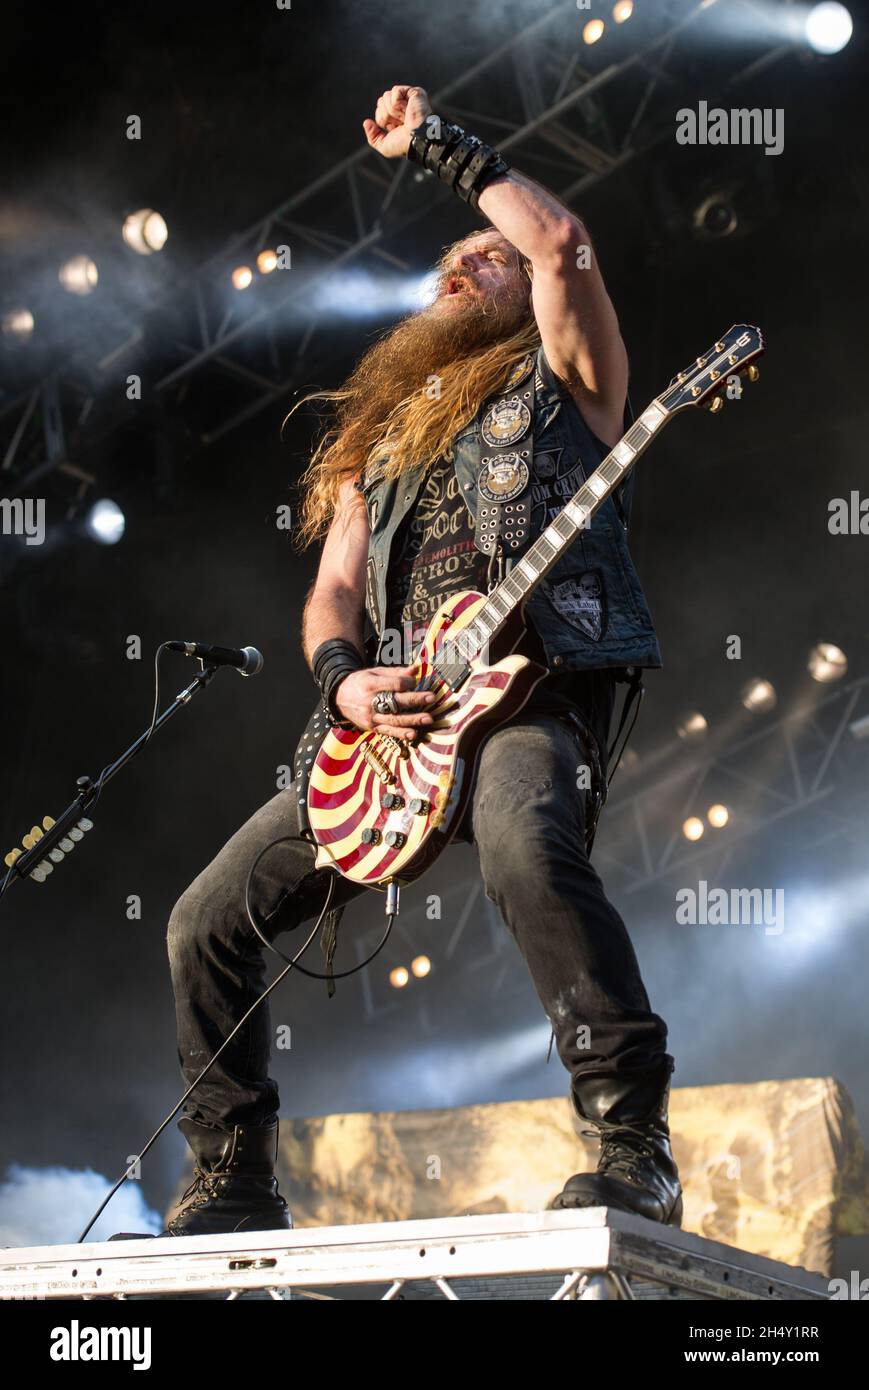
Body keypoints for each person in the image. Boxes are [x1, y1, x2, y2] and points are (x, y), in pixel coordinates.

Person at [164, 85, 681, 1236]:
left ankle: (627, 1138)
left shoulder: (571, 382)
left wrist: (442, 149)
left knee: (519, 840)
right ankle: (234, 1169)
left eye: (484, 259)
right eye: (450, 260)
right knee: (202, 920)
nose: (464, 265)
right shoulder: (381, 441)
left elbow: (558, 240)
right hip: (386, 731)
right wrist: (342, 675)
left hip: (528, 687)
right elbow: (333, 588)